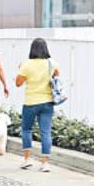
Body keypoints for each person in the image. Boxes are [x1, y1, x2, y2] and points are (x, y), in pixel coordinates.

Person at [16, 38, 59, 173]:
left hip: (30, 102)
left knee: (27, 130)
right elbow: (57, 78)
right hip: (47, 102)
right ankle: (45, 163)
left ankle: (28, 159)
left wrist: (21, 70)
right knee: (45, 132)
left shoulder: (27, 64)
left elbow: (18, 83)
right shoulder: (51, 63)